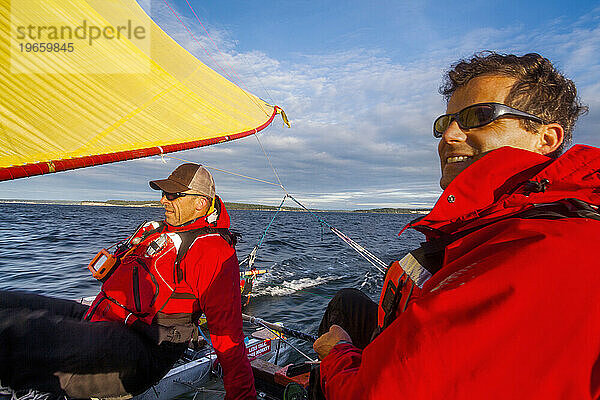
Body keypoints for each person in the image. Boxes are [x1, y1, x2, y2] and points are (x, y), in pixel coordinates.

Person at [312, 51, 600, 399]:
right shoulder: (507, 222)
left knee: (338, 325)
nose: (448, 135)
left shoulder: (546, 246)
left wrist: (337, 355)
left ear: (546, 138)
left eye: (478, 116)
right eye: (445, 122)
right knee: (347, 301)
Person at [0, 163, 256, 400]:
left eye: (173, 195)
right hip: (107, 316)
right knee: (9, 302)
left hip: (142, 349)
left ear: (200, 203)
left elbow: (228, 337)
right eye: (164, 193)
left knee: (15, 332)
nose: (163, 200)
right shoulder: (161, 231)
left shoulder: (213, 252)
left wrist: (242, 395)